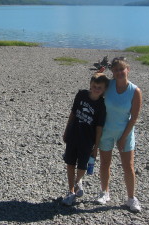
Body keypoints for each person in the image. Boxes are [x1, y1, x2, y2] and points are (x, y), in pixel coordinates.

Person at [97, 57, 142, 212]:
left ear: (127, 70)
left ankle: (131, 198)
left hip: (125, 132)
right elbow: (94, 90)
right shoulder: (108, 85)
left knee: (128, 166)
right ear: (113, 72)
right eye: (115, 70)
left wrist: (123, 138)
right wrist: (98, 74)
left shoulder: (135, 91)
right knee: (104, 163)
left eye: (121, 69)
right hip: (107, 130)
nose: (119, 72)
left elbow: (134, 117)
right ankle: (105, 192)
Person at [62, 73, 109, 206]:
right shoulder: (81, 95)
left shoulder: (101, 105)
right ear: (90, 85)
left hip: (87, 140)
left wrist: (96, 147)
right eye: (94, 86)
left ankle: (78, 182)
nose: (96, 89)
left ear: (104, 89)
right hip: (73, 135)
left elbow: (99, 127)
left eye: (99, 87)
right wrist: (66, 131)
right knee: (70, 163)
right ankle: (71, 191)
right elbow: (72, 113)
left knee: (82, 165)